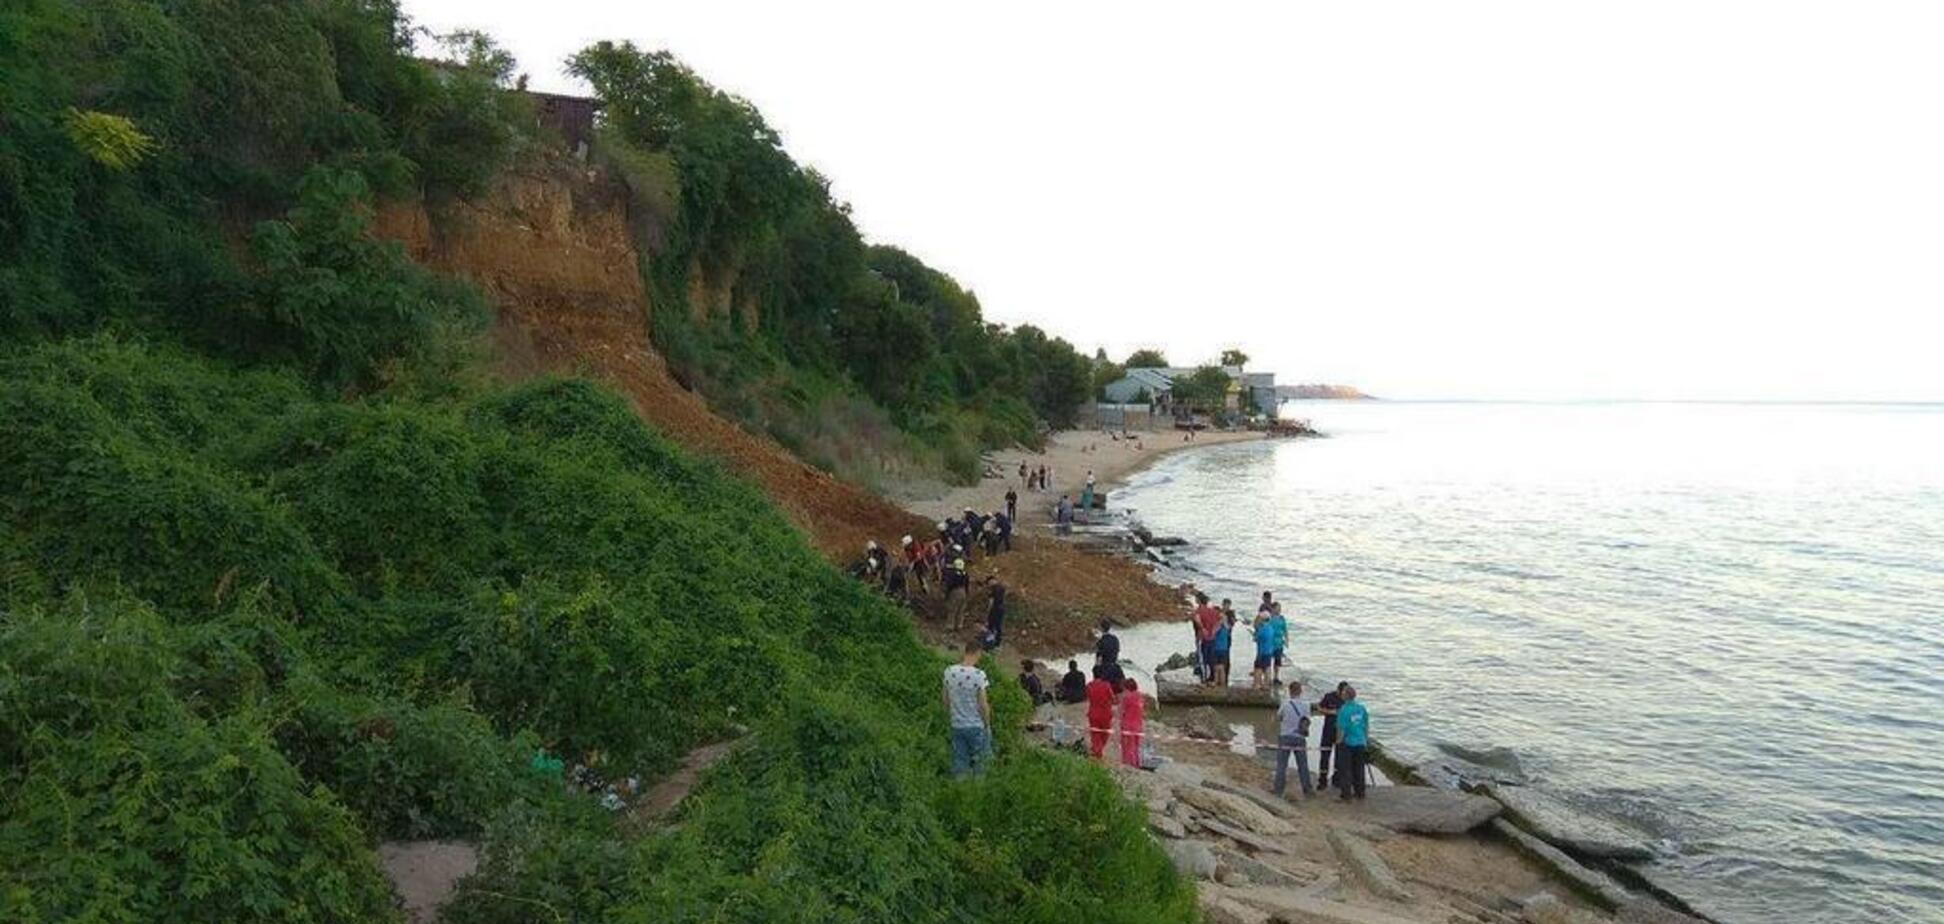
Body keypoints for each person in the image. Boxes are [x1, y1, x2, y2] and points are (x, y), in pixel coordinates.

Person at [942, 638, 994, 777]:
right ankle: (978, 794)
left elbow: (945, 700)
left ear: (965, 652)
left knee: (959, 763)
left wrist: (952, 717)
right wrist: (987, 725)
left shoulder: (948, 672)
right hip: (976, 725)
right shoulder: (979, 675)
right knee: (981, 764)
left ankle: (961, 793)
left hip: (957, 725)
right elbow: (983, 704)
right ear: (978, 653)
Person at [1272, 681, 1314, 798]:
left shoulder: (1285, 704)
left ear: (1290, 691)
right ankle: (1307, 789)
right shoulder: (1306, 705)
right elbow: (1307, 720)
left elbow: (1279, 717)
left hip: (1285, 736)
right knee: (1303, 765)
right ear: (1300, 691)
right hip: (1299, 737)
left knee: (1281, 765)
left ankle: (1278, 790)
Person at [1335, 685, 1370, 800]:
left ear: (1345, 696)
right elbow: (1365, 725)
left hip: (1348, 743)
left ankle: (1346, 794)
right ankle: (1360, 792)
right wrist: (1365, 740)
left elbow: (1341, 729)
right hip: (1360, 742)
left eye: (1343, 693)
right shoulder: (1361, 708)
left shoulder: (1343, 710)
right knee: (1359, 769)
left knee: (1345, 770)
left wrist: (1338, 742)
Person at [1314, 681, 1348, 791]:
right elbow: (1319, 708)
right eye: (1343, 693)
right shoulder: (1329, 697)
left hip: (1341, 732)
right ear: (1338, 690)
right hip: (1328, 730)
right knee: (1325, 755)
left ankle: (1336, 780)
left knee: (1340, 757)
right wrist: (1330, 712)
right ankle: (1322, 780)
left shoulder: (1347, 700)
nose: (1344, 696)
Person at [1085, 665, 1116, 760]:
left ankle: (1096, 750)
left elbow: (1088, 696)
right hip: (1105, 714)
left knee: (1095, 734)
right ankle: (1099, 750)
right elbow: (1113, 699)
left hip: (1093, 713)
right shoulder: (1106, 685)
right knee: (1105, 734)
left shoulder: (1089, 685)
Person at [1192, 593, 1222, 685]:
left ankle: (1204, 680)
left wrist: (1202, 628)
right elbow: (1221, 619)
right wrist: (1214, 630)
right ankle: (1212, 678)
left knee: (1202, 659)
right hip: (1212, 638)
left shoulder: (1198, 611)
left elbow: (1197, 619)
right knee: (1210, 659)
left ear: (1199, 601)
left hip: (1202, 638)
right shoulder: (1212, 611)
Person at [1118, 677, 1146, 767]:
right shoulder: (1140, 696)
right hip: (1138, 724)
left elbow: (1121, 711)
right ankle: (1137, 762)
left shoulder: (1126, 697)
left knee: (1127, 746)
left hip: (1127, 724)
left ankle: (1128, 764)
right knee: (1136, 746)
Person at [943, 546, 970, 630]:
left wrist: (947, 593)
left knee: (952, 609)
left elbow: (950, 584)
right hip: (963, 592)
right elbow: (967, 584)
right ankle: (959, 625)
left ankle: (950, 626)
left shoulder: (953, 574)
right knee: (961, 610)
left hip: (955, 591)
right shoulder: (965, 574)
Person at [1266, 602, 1289, 684]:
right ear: (1273, 609)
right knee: (1267, 661)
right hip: (1270, 642)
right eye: (1277, 608)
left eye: (1280, 608)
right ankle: (1267, 677)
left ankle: (1276, 677)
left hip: (1279, 642)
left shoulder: (1282, 618)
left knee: (1277, 661)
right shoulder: (1269, 618)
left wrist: (1286, 640)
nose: (1279, 610)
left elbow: (1285, 630)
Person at [1211, 609, 1234, 686]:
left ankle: (1217, 681)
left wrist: (1219, 623)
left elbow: (1213, 633)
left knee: (1218, 667)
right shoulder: (1227, 627)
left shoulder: (1220, 626)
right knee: (1221, 667)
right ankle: (1222, 683)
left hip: (1218, 648)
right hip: (1224, 648)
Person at [983, 577, 1007, 648]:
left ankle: (989, 642)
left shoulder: (994, 589)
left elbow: (991, 602)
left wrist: (987, 611)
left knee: (991, 625)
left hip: (995, 609)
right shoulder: (1002, 587)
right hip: (1001, 609)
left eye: (988, 583)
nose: (988, 585)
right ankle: (997, 642)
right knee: (998, 626)